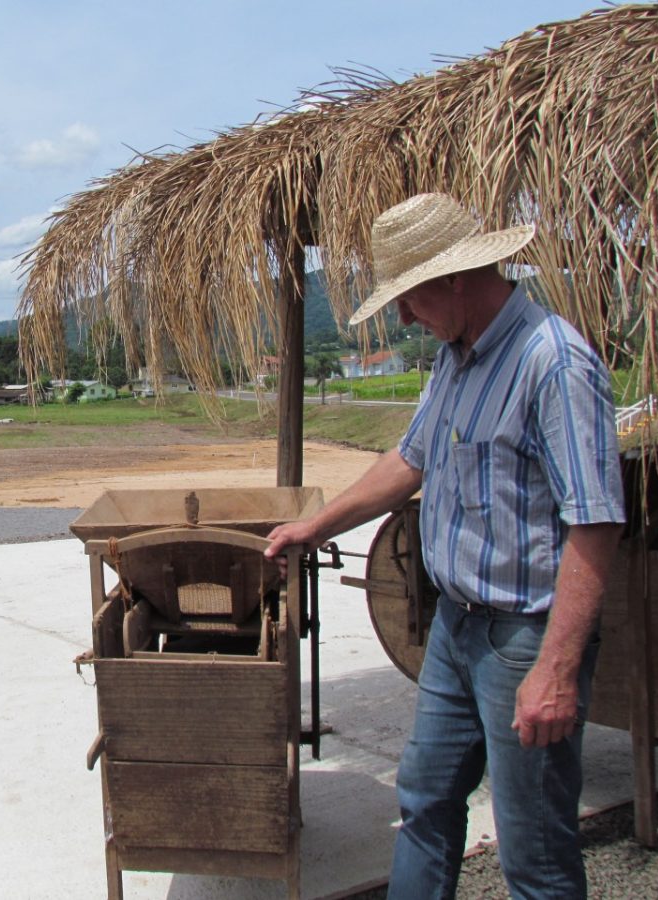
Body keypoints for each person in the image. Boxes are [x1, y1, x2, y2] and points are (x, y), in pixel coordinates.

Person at [265, 193, 625, 899]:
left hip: (525, 636)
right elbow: (409, 461)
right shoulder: (454, 361)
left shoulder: (553, 363)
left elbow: (596, 525)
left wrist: (555, 670)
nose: (401, 316)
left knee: (536, 851)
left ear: (457, 276)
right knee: (424, 802)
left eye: (408, 297)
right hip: (456, 631)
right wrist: (318, 525)